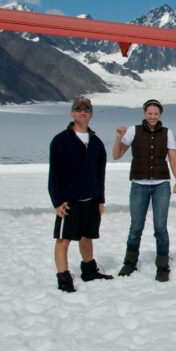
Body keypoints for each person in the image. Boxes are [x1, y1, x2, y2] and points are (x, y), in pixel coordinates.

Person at [112, 99, 176, 281]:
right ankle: (129, 263)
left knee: (160, 227)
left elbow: (173, 159)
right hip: (138, 185)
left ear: (160, 115)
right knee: (136, 227)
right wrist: (119, 137)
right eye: (149, 113)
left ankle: (162, 266)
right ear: (144, 113)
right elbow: (116, 155)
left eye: (156, 114)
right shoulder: (133, 131)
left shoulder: (167, 133)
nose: (152, 117)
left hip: (161, 185)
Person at [48, 95, 113, 292]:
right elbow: (54, 174)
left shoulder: (97, 142)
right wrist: (57, 201)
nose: (82, 113)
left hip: (91, 199)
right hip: (69, 200)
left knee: (87, 236)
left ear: (91, 114)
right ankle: (64, 279)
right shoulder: (61, 141)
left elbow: (99, 173)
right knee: (64, 240)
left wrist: (100, 199)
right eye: (78, 109)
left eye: (86, 110)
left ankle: (89, 270)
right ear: (72, 113)